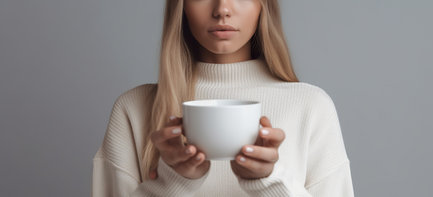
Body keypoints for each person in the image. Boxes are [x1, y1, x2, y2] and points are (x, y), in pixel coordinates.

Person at [92, 0, 354, 196]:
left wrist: (268, 180)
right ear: (180, 6)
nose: (222, 9)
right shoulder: (133, 108)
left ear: (264, 5)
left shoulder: (310, 106)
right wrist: (172, 182)